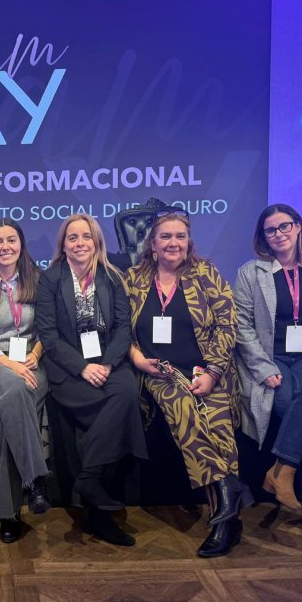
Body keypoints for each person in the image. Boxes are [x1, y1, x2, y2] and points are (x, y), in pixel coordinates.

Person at [126, 213, 249, 558]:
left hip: (203, 369)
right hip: (160, 372)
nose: (173, 243)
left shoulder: (206, 273)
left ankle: (225, 521)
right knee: (183, 407)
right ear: (152, 244)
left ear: (189, 242)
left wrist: (212, 372)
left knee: (218, 422)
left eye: (180, 236)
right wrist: (138, 359)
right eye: (165, 236)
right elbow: (120, 330)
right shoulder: (133, 279)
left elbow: (227, 325)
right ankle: (228, 491)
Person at [234, 204, 302, 543]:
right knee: (298, 407)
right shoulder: (251, 272)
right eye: (271, 230)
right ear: (263, 237)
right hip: (272, 358)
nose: (279, 234)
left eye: (285, 226)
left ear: (298, 227)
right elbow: (242, 325)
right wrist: (263, 367)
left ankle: (282, 471)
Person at [36, 213, 146, 547]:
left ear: (97, 242)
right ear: (63, 244)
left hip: (108, 362)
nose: (80, 243)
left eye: (86, 236)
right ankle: (98, 512)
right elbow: (48, 335)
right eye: (73, 237)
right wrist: (83, 368)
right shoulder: (50, 278)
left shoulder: (112, 276)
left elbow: (123, 328)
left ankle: (89, 480)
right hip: (69, 368)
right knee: (110, 412)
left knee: (126, 393)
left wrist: (108, 363)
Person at [0, 218, 49, 543]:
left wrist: (37, 354)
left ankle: (9, 511)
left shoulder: (38, 279)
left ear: (21, 244)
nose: (5, 247)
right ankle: (36, 477)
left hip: (31, 361)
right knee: (17, 389)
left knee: (11, 419)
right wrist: (8, 363)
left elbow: (47, 327)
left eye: (11, 240)